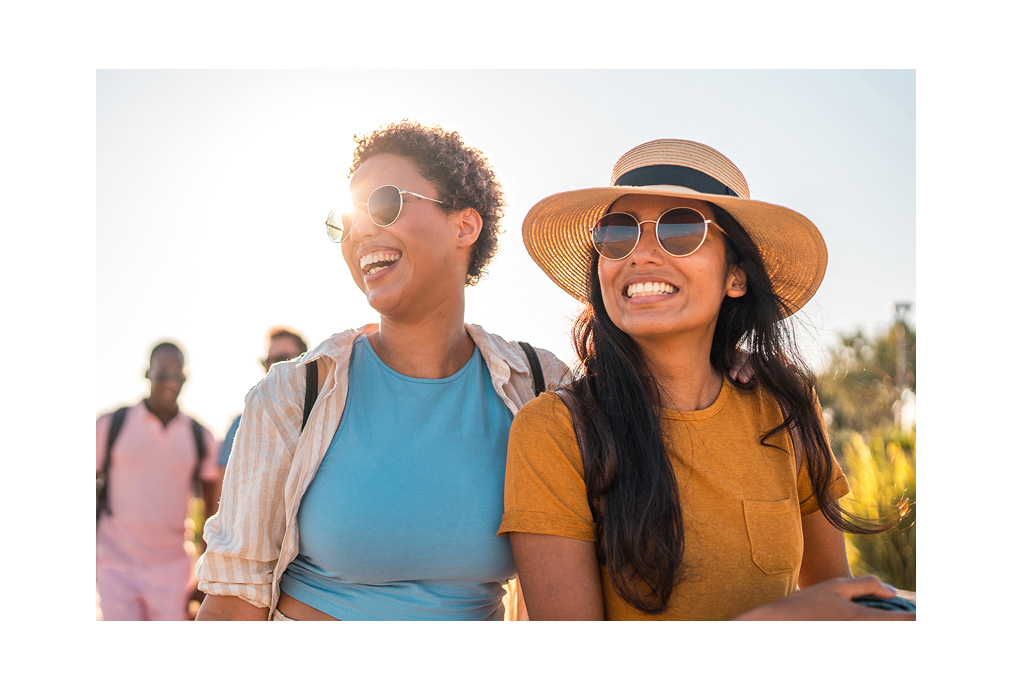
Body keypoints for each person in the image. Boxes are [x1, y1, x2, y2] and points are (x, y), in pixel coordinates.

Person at [499, 138, 914, 620]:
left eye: (680, 229)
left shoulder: (785, 407)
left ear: (736, 277)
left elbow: (837, 602)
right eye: (617, 234)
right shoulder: (556, 430)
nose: (642, 255)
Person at [194, 121, 572, 621]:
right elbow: (233, 600)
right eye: (345, 222)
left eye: (384, 203)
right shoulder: (294, 392)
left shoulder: (541, 385)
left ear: (465, 226)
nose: (361, 231)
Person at [96, 342, 221, 621]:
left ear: (185, 379)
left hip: (173, 570)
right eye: (163, 373)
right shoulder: (109, 424)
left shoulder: (201, 436)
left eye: (177, 375)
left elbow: (213, 509)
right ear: (147, 374)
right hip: (114, 566)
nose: (170, 382)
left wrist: (207, 572)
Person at [217, 327, 309, 469]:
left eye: (281, 360)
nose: (273, 368)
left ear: (306, 359)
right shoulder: (241, 424)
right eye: (268, 361)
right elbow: (223, 485)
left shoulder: (324, 416)